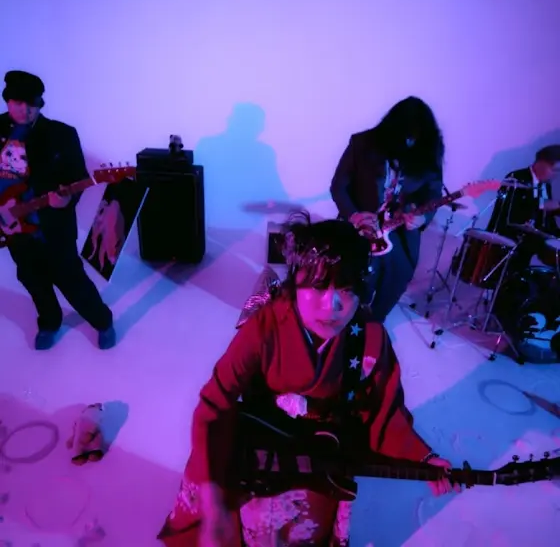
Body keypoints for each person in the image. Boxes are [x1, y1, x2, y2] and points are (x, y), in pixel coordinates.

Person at [158, 212, 456, 546]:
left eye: (347, 289)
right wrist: (213, 503)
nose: (333, 305)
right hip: (258, 450)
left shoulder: (368, 338)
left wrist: (424, 459)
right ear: (296, 281)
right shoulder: (265, 327)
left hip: (322, 459)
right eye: (318, 286)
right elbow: (215, 403)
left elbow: (383, 413)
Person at [0, 70, 115, 350]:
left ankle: (102, 321)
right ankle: (50, 322)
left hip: (53, 227)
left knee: (71, 279)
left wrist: (66, 201)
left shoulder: (61, 134)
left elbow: (78, 177)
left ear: (40, 103)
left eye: (32, 103)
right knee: (32, 279)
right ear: (7, 101)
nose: (25, 110)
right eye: (18, 102)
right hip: (13, 227)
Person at [330, 96, 445, 323]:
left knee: (396, 279)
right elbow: (338, 187)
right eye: (406, 137)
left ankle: (373, 324)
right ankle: (344, 322)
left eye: (415, 139)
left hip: (400, 233)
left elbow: (433, 194)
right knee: (353, 280)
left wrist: (422, 219)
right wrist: (354, 215)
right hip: (360, 228)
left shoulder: (429, 152)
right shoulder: (362, 143)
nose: (410, 143)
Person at [485, 144, 560, 268]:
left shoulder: (546, 185)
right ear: (541, 163)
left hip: (536, 236)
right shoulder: (516, 177)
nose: (555, 175)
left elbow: (547, 218)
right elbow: (510, 212)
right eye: (554, 170)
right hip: (513, 236)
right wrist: (541, 204)